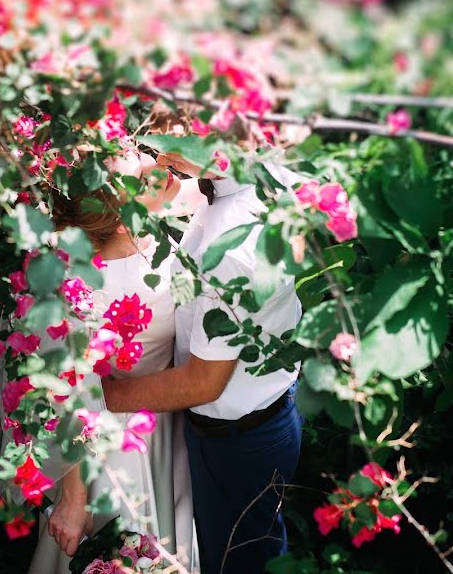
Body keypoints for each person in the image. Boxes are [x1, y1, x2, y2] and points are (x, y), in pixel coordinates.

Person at [102, 150, 304, 574]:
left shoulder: (232, 243)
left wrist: (99, 395)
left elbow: (202, 383)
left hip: (236, 443)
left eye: (172, 121)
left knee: (238, 562)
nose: (157, 147)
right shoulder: (243, 178)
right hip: (238, 419)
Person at [0, 150, 201, 573]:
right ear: (118, 209)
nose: (155, 169)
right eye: (141, 173)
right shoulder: (69, 287)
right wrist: (74, 498)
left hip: (164, 432)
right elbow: (59, 389)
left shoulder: (150, 238)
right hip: (100, 452)